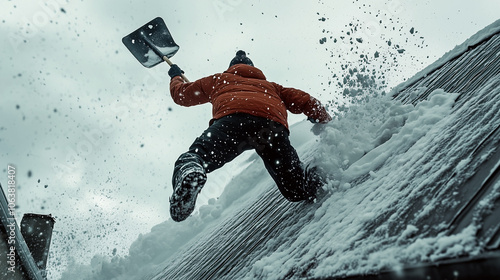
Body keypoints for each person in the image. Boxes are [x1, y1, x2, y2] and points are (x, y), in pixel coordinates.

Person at [168, 50, 332, 222]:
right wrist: (325, 121)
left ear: (231, 68)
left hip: (232, 123)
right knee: (298, 187)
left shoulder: (219, 80)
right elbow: (307, 101)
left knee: (195, 157)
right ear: (254, 69)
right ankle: (328, 170)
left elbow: (181, 95)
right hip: (270, 128)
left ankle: (191, 171)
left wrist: (176, 76)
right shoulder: (273, 87)